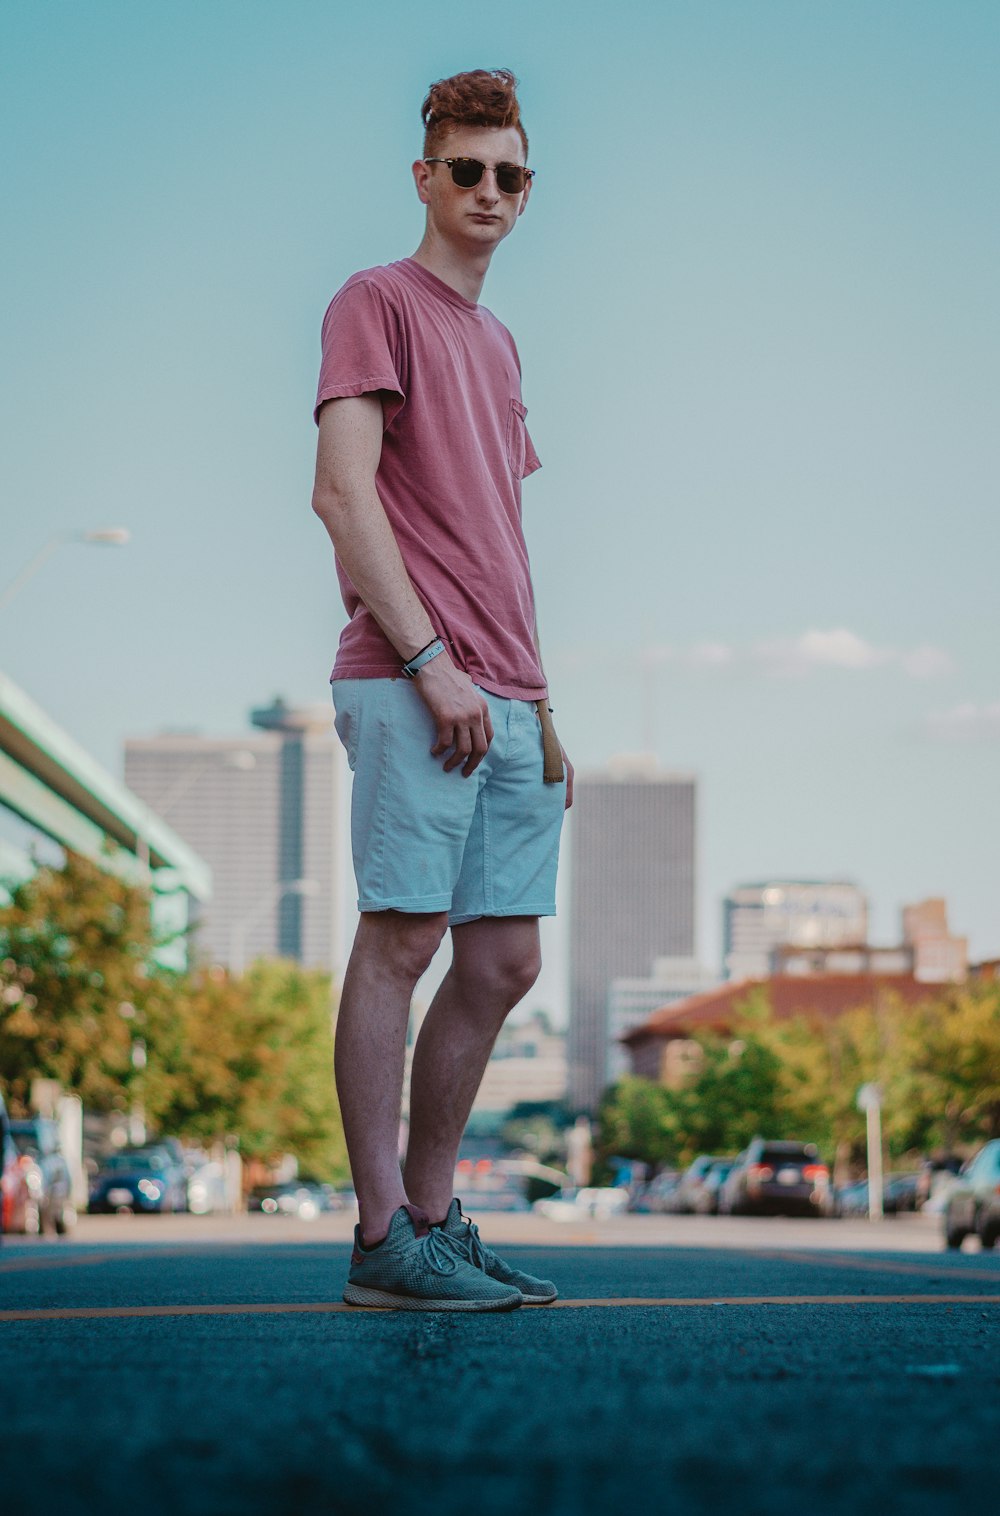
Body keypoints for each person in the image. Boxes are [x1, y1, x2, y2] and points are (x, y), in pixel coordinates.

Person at [311, 68, 571, 1311]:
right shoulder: (376, 300)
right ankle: (379, 1244)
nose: (486, 190)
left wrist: (540, 701)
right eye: (465, 169)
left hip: (506, 692)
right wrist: (430, 664)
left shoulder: (500, 341)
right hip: (418, 678)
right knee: (405, 936)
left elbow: (498, 532)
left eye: (507, 173)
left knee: (504, 959)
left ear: (528, 192)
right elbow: (344, 497)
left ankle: (430, 1220)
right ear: (425, 176)